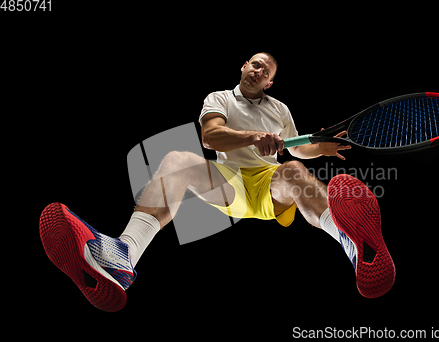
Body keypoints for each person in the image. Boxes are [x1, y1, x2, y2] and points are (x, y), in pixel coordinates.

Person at [39, 52, 395, 312]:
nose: (259, 70)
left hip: (270, 184)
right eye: (255, 64)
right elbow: (211, 138)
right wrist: (254, 137)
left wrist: (320, 146)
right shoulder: (219, 98)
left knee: (292, 172)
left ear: (270, 82)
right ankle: (123, 256)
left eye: (266, 70)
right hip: (231, 183)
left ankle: (353, 243)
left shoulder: (280, 109)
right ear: (244, 66)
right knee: (177, 160)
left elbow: (296, 150)